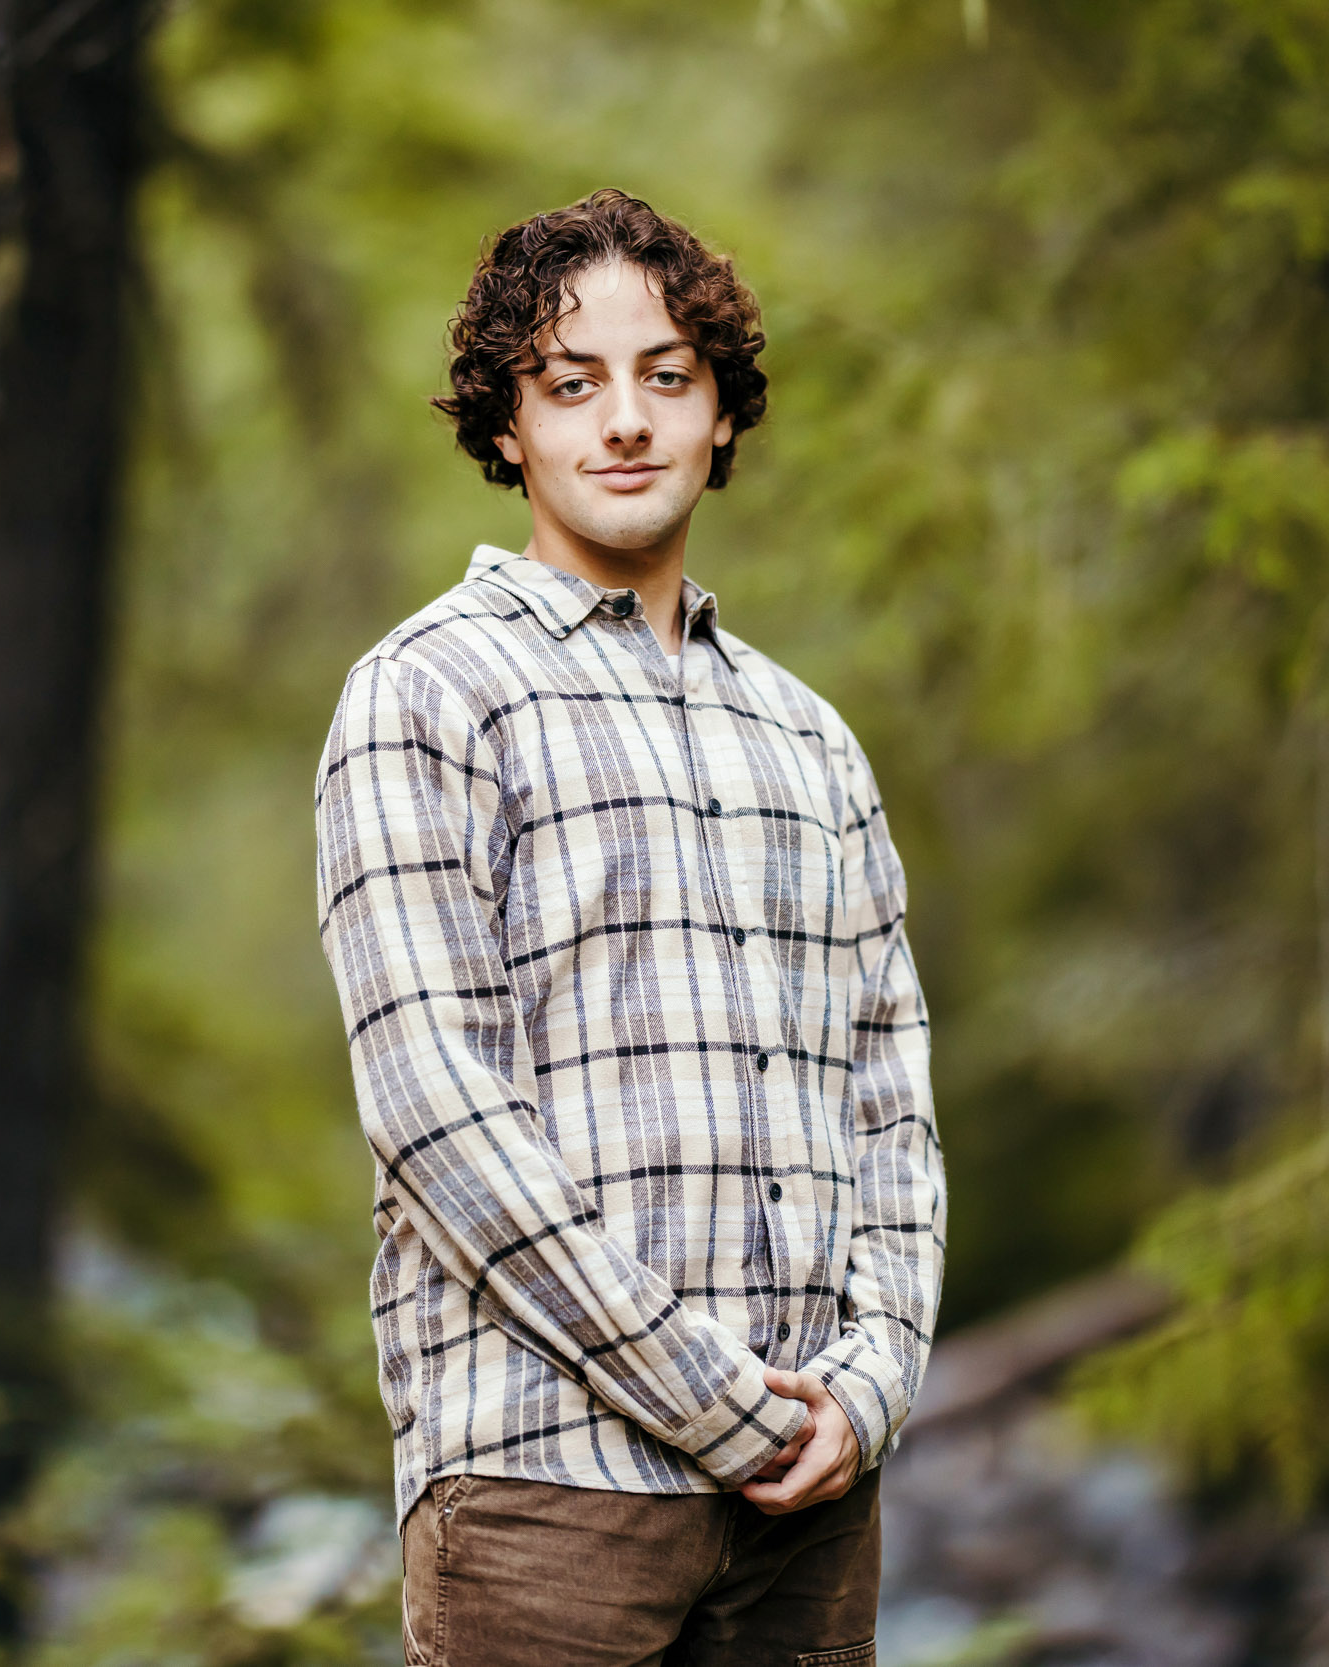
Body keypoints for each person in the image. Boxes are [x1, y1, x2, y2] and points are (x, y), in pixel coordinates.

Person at [313, 188, 944, 1666]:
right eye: (570, 382)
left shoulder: (811, 742)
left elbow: (890, 1097)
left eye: (668, 376)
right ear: (507, 425)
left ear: (723, 413)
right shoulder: (426, 695)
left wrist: (869, 1387)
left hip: (812, 1504)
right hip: (546, 1496)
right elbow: (436, 1112)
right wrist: (714, 1403)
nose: (626, 420)